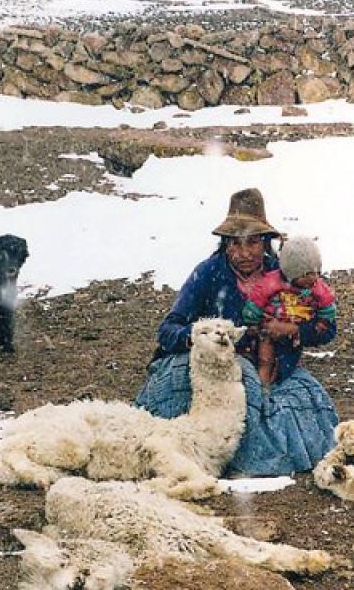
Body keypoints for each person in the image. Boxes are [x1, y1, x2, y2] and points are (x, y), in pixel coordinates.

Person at [134, 188, 339, 475]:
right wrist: (200, 339)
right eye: (235, 244)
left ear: (265, 242)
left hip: (271, 368)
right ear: (225, 244)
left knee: (302, 407)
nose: (244, 253)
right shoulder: (208, 274)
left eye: (252, 242)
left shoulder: (287, 274)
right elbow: (168, 330)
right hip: (214, 368)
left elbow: (326, 329)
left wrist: (293, 330)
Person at [242, 236, 337, 387]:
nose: (313, 278)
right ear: (291, 273)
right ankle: (262, 386)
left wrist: (321, 323)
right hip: (268, 329)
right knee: (265, 358)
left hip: (292, 334)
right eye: (306, 274)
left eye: (316, 272)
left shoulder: (316, 288)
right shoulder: (272, 282)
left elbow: (328, 306)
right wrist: (253, 321)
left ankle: (280, 377)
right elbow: (257, 299)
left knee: (287, 360)